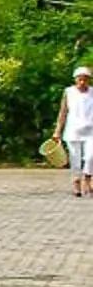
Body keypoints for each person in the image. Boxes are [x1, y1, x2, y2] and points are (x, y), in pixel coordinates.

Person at [62, 66, 93, 199]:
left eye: (85, 79)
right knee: (75, 158)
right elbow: (63, 112)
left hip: (91, 130)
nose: (82, 82)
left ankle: (87, 179)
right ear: (75, 80)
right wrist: (57, 131)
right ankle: (76, 182)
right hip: (73, 130)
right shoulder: (69, 92)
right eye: (80, 79)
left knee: (91, 156)